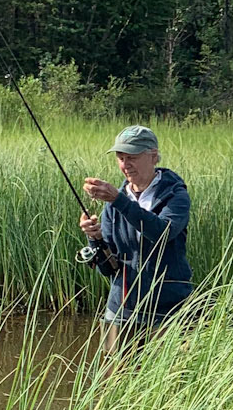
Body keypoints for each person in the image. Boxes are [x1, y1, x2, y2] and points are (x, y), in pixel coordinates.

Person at [79, 125, 192, 327]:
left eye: (132, 157)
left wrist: (118, 200)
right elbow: (107, 269)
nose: (125, 164)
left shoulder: (176, 195)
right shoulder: (115, 202)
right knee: (114, 360)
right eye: (121, 158)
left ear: (153, 155)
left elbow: (161, 233)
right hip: (121, 310)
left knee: (172, 360)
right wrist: (94, 237)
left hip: (167, 312)